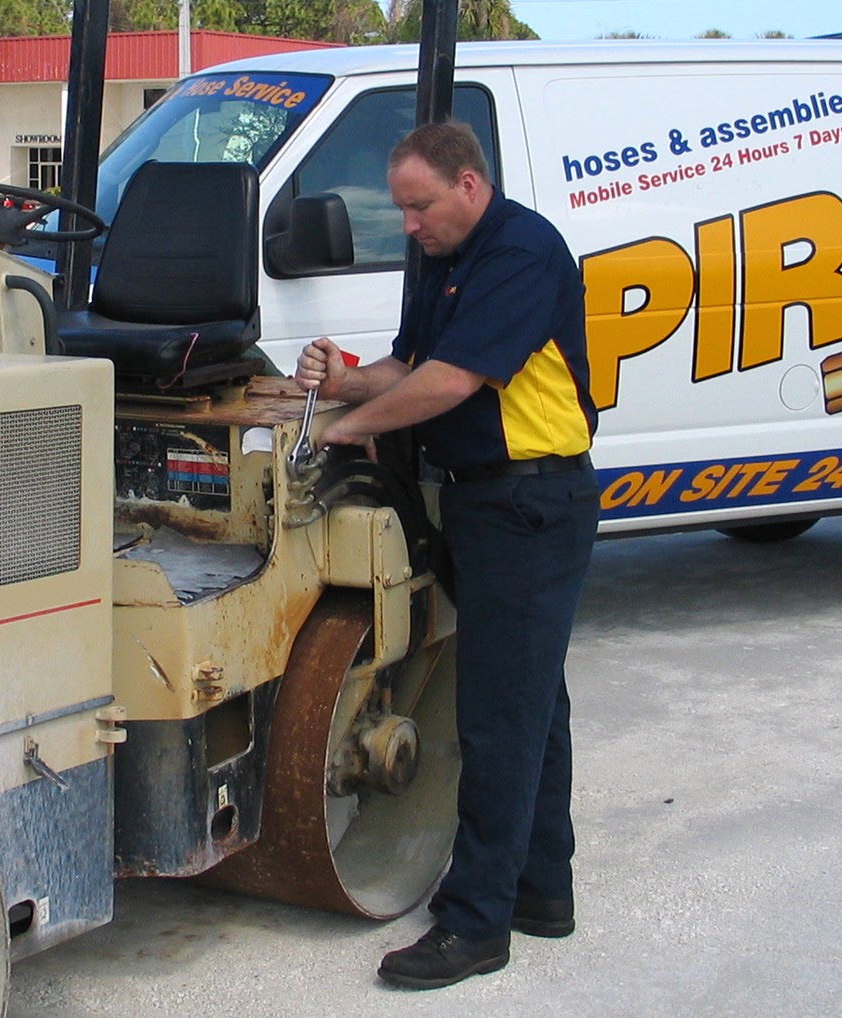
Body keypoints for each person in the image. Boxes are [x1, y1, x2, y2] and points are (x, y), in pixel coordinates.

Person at [294, 120, 599, 991]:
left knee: (499, 719)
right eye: (402, 210)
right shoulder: (439, 253)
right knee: (534, 705)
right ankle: (542, 892)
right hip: (477, 499)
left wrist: (345, 433)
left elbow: (452, 381)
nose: (409, 226)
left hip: (532, 502)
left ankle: (476, 925)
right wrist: (342, 382)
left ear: (471, 185)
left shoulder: (522, 251)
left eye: (420, 206)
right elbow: (412, 362)